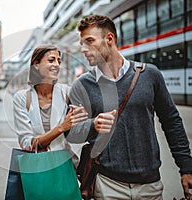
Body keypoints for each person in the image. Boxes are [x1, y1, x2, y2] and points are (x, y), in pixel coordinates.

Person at [65, 14, 192, 199]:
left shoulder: (150, 75)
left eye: (89, 41)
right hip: (107, 184)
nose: (84, 49)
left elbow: (172, 122)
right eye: (82, 43)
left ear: (109, 39)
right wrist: (93, 125)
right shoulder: (81, 85)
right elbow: (71, 132)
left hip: (150, 184)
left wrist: (186, 167)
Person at [13, 44, 88, 158]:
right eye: (51, 60)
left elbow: (82, 126)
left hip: (64, 164)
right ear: (36, 65)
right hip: (38, 167)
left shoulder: (68, 93)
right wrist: (61, 127)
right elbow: (27, 143)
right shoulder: (21, 98)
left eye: (59, 61)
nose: (57, 65)